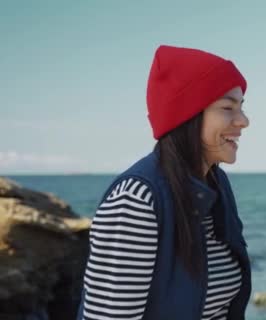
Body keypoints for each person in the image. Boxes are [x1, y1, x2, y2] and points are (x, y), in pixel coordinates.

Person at [76, 45, 251, 320]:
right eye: (228, 107)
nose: (244, 121)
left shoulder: (216, 183)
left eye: (242, 107)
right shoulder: (136, 198)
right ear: (187, 115)